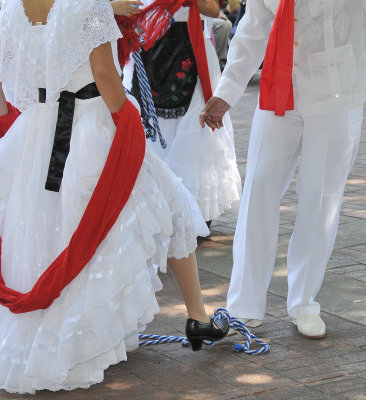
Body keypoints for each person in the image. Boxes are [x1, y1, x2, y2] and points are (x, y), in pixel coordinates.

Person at [0, 0, 228, 393]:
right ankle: (196, 317)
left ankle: (61, 338)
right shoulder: (85, 4)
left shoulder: (6, 9)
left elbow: (6, 92)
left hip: (36, 132)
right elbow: (105, 74)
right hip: (93, 124)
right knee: (168, 204)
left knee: (48, 237)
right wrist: (129, 126)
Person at [200, 0, 366, 338]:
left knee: (320, 201)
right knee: (258, 190)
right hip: (279, 87)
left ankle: (304, 302)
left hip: (338, 90)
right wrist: (227, 91)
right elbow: (253, 28)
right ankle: (244, 305)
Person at [123, 0, 242, 226]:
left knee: (194, 129)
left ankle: (193, 211)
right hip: (146, 48)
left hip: (189, 48)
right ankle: (155, 208)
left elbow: (213, 9)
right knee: (150, 129)